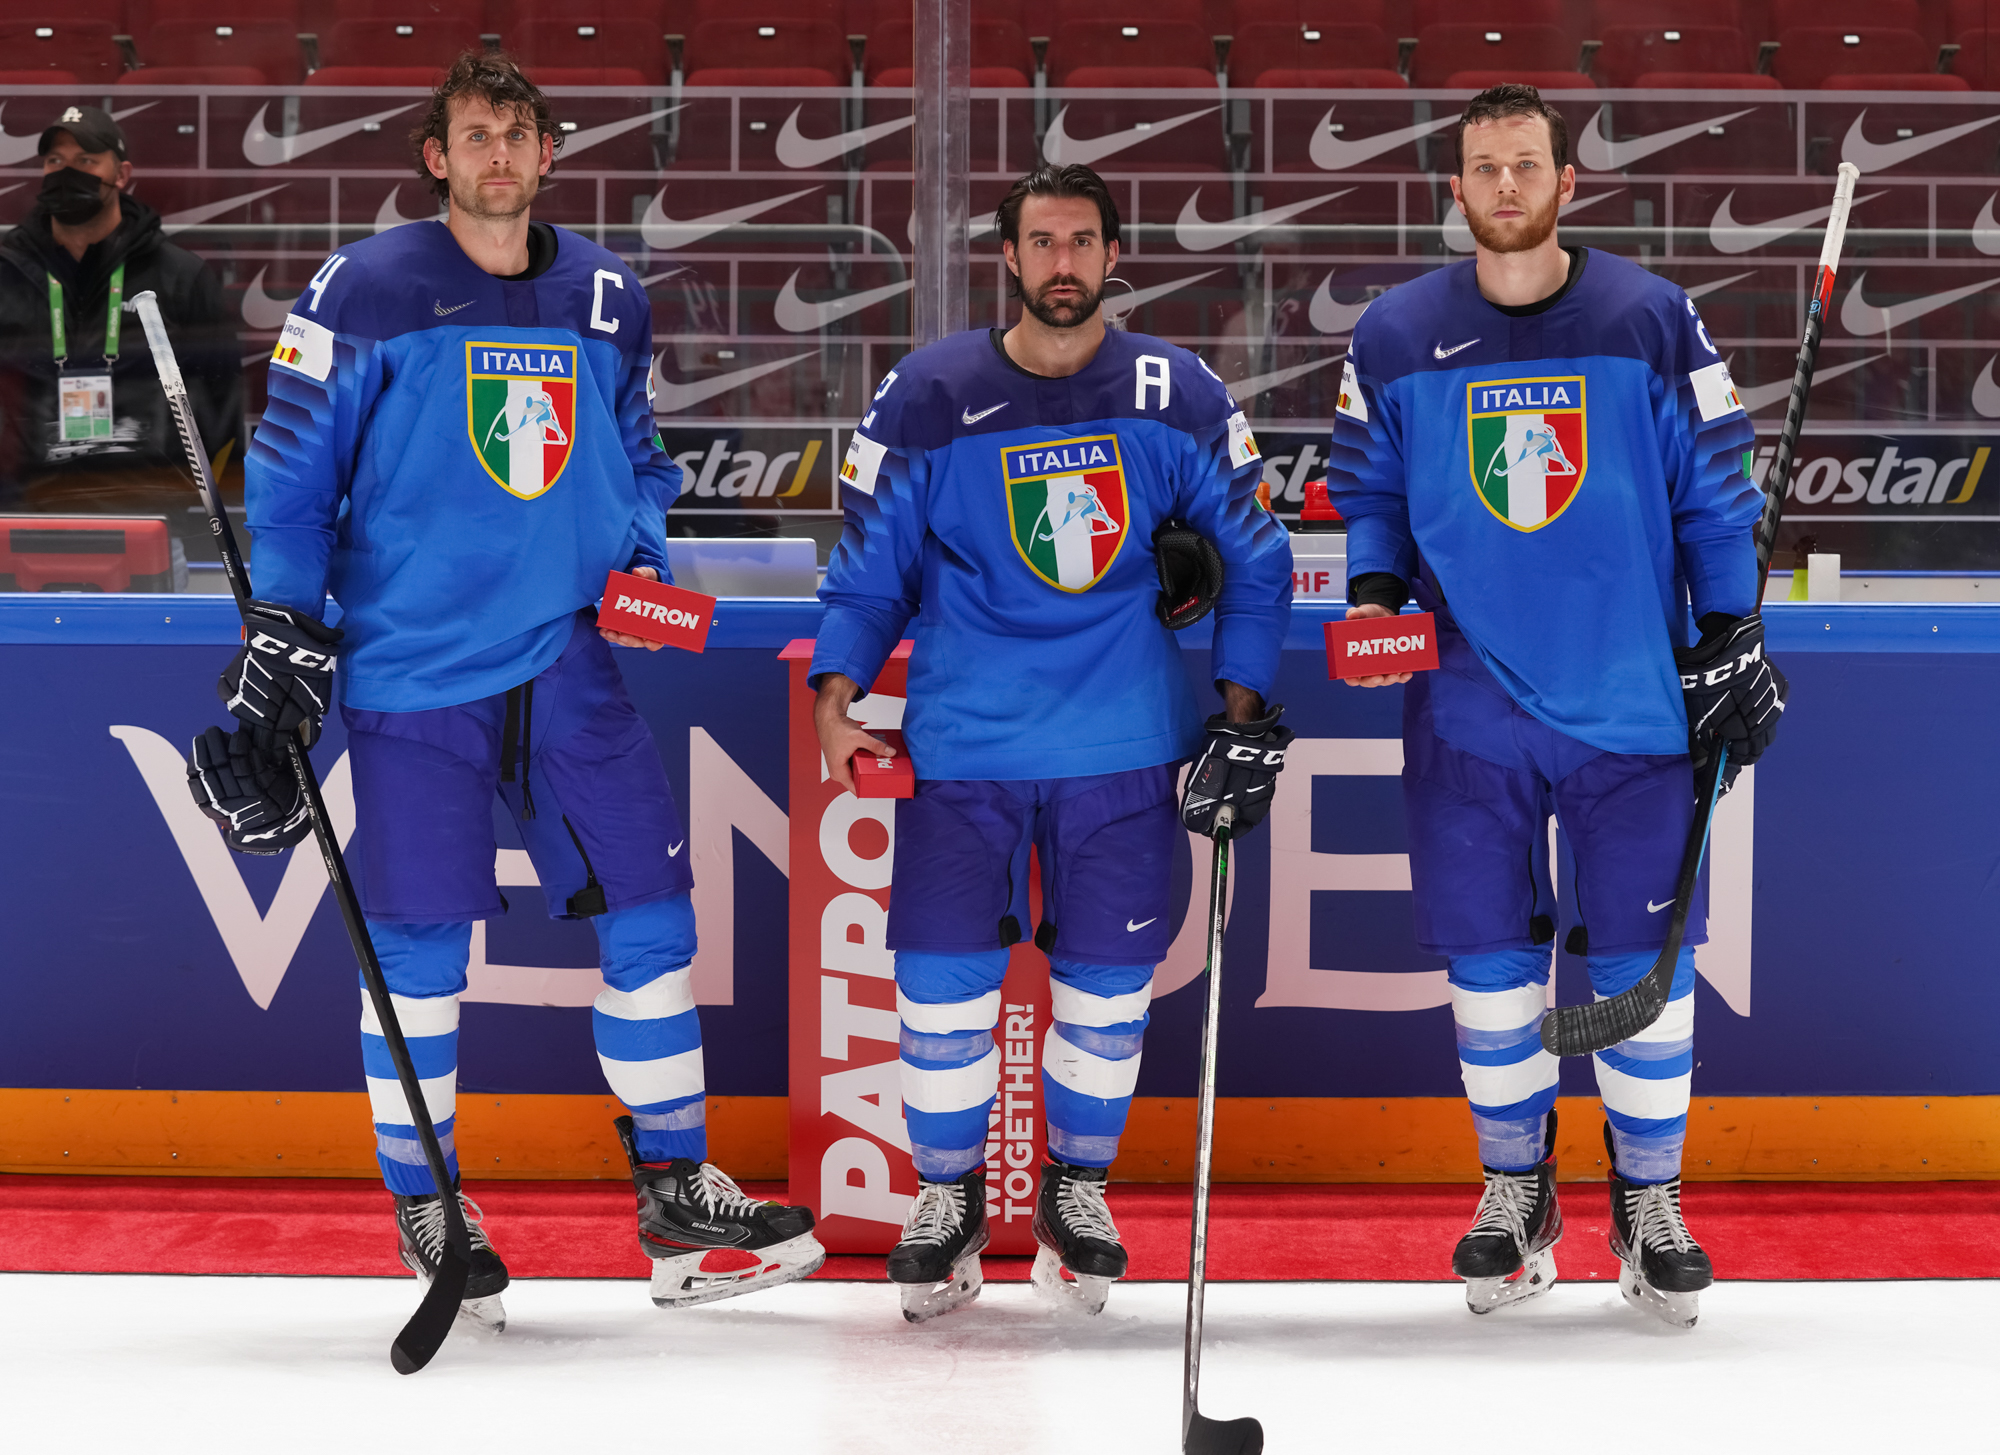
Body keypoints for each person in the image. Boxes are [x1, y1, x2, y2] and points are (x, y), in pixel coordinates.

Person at [210, 51, 822, 1329]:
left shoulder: (605, 294)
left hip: (569, 659)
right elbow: (286, 476)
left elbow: (641, 454)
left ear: (550, 152)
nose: (498, 154)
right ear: (435, 157)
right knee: (421, 951)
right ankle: (428, 1200)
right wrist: (284, 620)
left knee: (651, 915)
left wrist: (641, 555)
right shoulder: (364, 289)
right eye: (475, 134)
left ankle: (674, 1188)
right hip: (414, 671)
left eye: (519, 134)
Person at [1327, 84, 1784, 1328]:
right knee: (1487, 969)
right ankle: (1513, 1196)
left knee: (1642, 965)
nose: (1506, 187)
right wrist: (1374, 583)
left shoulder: (1648, 316)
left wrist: (1730, 626)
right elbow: (1364, 481)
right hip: (1462, 704)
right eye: (1484, 168)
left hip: (1628, 700)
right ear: (1456, 189)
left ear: (1565, 181)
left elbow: (1713, 486)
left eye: (1526, 165)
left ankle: (1648, 1204)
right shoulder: (1394, 332)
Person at [809, 162, 1293, 1321]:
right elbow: (868, 572)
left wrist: (1240, 713)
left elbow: (1260, 560)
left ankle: (1075, 1194)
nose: (1063, 262)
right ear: (1010, 259)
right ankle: (948, 1198)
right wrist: (836, 692)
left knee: (1106, 990)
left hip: (1122, 752)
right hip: (963, 753)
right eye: (1042, 242)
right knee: (936, 988)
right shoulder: (923, 395)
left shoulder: (1173, 394)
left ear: (1108, 257)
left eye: (1082, 241)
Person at [0, 104, 240, 522]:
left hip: (151, 511)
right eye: (54, 161)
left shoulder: (181, 277)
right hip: (22, 508)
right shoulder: (7, 276)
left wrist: (186, 506)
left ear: (122, 175)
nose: (65, 172)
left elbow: (223, 405)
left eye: (85, 161)